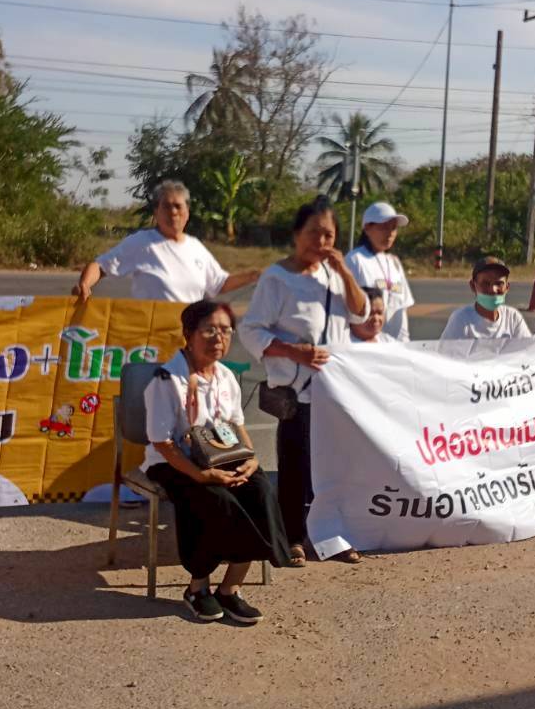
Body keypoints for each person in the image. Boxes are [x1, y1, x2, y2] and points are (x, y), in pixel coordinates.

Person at [142, 299, 289, 623]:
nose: (218, 338)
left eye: (225, 330)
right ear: (188, 334)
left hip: (223, 454)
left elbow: (236, 425)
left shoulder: (225, 376)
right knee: (214, 499)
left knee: (260, 490)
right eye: (209, 330)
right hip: (174, 462)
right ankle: (197, 588)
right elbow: (162, 443)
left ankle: (230, 588)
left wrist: (251, 459)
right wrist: (201, 475)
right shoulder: (166, 381)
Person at [241, 198, 369, 565]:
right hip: (299, 395)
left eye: (329, 234)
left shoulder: (335, 275)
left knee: (336, 469)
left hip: (337, 392)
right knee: (296, 468)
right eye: (314, 233)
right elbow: (250, 330)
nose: (321, 241)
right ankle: (293, 538)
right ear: (297, 234)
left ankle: (333, 536)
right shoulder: (277, 278)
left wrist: (344, 272)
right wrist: (291, 351)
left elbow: (361, 313)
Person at [73, 179, 259, 302]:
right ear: (156, 212)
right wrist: (85, 284)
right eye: (167, 207)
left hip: (188, 338)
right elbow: (100, 266)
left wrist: (255, 276)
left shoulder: (196, 247)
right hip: (152, 339)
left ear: (187, 212)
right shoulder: (142, 243)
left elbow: (219, 284)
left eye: (178, 206)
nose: (173, 212)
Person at [346, 202, 415, 342]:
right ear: (367, 228)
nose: (390, 233)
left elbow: (401, 310)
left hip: (393, 346)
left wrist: (405, 343)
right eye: (384, 227)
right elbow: (347, 308)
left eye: (393, 228)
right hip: (365, 346)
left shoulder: (394, 263)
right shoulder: (355, 260)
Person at [440, 256, 533, 341]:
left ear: (507, 287)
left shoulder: (513, 318)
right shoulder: (461, 320)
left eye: (499, 283)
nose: (493, 289)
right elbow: (447, 352)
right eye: (485, 283)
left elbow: (528, 349)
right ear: (473, 286)